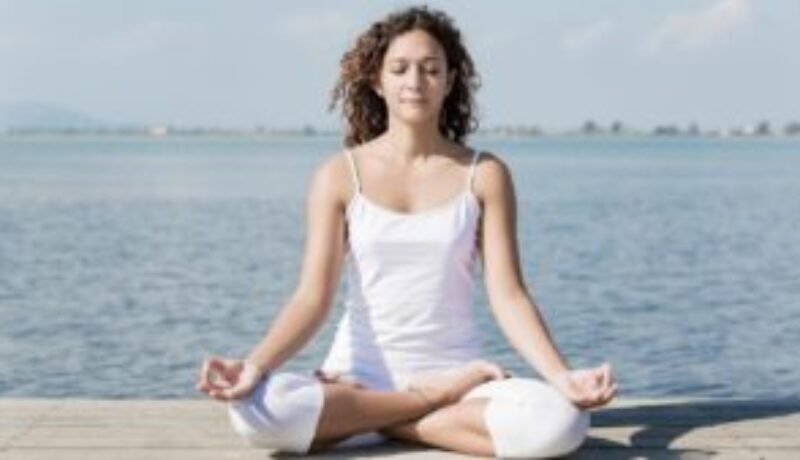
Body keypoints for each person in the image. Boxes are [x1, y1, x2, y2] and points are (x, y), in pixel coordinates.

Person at [197, 5, 617, 458]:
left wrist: (561, 376)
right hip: (360, 375)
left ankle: (377, 422)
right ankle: (416, 408)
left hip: (461, 383)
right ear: (378, 80)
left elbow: (509, 295)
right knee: (254, 411)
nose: (415, 81)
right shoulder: (338, 175)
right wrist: (255, 367)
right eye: (400, 69)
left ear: (451, 80)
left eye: (430, 69)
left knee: (562, 423)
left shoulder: (485, 174)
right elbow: (311, 299)